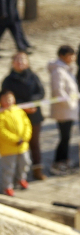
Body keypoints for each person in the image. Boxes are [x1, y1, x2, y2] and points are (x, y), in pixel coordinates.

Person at [2, 52, 45, 181]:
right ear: (13, 63)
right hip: (16, 117)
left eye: (23, 59)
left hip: (34, 114)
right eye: (18, 60)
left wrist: (32, 102)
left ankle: (37, 170)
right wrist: (22, 106)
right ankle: (17, 174)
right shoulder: (8, 80)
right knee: (18, 143)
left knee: (35, 143)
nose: (20, 62)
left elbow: (41, 92)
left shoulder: (33, 76)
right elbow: (6, 97)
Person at [48, 46, 78, 174]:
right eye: (71, 55)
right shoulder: (58, 71)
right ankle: (58, 162)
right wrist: (70, 104)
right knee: (64, 137)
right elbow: (58, 91)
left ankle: (64, 160)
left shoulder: (66, 69)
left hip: (68, 110)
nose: (73, 58)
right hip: (63, 110)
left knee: (67, 137)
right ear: (63, 56)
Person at [0, 91, 31, 195]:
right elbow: (2, 131)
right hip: (8, 147)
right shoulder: (1, 114)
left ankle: (21, 179)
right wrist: (15, 139)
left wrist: (25, 137)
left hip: (22, 146)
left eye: (10, 98)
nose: (8, 101)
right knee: (9, 167)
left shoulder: (19, 110)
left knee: (24, 163)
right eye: (5, 99)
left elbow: (27, 124)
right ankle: (7, 186)